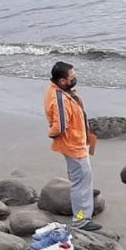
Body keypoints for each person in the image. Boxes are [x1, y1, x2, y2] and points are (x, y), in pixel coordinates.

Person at [43, 61, 101, 232]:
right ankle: (81, 220)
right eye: (72, 77)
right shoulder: (59, 98)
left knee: (84, 178)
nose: (74, 78)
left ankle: (86, 197)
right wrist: (52, 134)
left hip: (78, 142)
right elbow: (59, 126)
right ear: (61, 81)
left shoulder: (63, 91)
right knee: (79, 182)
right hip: (73, 145)